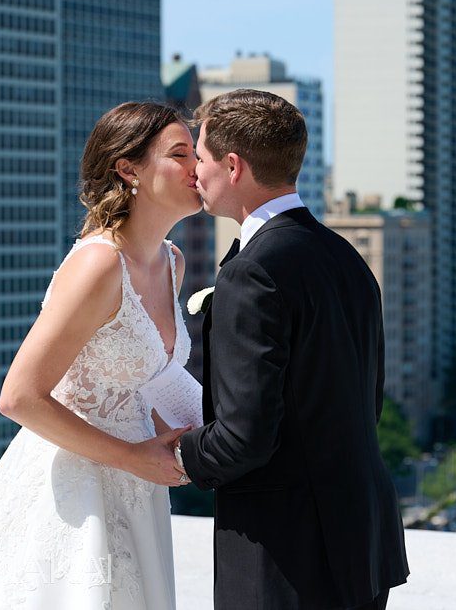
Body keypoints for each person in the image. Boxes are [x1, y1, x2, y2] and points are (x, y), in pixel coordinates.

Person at [0, 101, 201, 609]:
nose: (197, 167)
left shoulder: (171, 263)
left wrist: (221, 440)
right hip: (72, 490)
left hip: (140, 490)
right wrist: (133, 457)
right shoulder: (98, 264)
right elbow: (19, 397)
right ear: (128, 169)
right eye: (180, 154)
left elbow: (154, 382)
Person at [177, 89, 409, 609]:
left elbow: (245, 437)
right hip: (361, 544)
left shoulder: (252, 272)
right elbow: (365, 403)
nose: (197, 172)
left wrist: (178, 455)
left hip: (286, 558)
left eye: (203, 156)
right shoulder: (344, 256)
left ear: (233, 166)